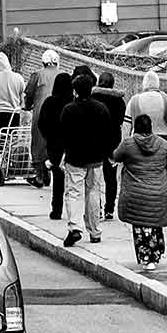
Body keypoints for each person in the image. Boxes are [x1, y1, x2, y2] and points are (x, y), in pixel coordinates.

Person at [112, 112, 167, 272]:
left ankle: (145, 257)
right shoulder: (164, 146)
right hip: (158, 194)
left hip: (135, 194)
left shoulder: (128, 144)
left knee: (139, 225)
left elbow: (115, 156)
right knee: (155, 223)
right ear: (151, 127)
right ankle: (155, 253)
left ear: (135, 127)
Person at [57, 69, 118, 247]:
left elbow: (63, 136)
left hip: (75, 158)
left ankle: (75, 228)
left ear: (75, 91)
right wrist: (108, 154)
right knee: (93, 192)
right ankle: (94, 231)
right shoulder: (101, 109)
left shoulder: (68, 110)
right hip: (96, 158)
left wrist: (63, 154)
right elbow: (108, 134)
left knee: (74, 193)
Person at [0, 52, 29, 183]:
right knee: (12, 141)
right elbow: (22, 98)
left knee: (1, 141)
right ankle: (12, 165)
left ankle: (3, 165)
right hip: (14, 114)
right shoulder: (18, 77)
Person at [36, 73, 74, 219]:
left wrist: (49, 137)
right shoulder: (72, 102)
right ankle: (73, 212)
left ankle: (56, 209)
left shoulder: (50, 102)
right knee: (73, 181)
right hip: (70, 145)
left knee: (58, 178)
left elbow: (42, 123)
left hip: (54, 145)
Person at [89, 70, 128, 212]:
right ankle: (110, 209)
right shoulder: (119, 101)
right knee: (111, 178)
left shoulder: (92, 98)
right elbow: (121, 120)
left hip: (95, 142)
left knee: (95, 178)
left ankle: (96, 208)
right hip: (113, 143)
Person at [23, 49, 61, 187]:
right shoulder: (63, 74)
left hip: (40, 111)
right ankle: (50, 171)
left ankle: (39, 176)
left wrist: (27, 106)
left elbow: (29, 93)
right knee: (55, 141)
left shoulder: (37, 75)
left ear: (43, 62)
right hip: (60, 113)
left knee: (38, 141)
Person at [129, 69, 167, 147]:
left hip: (140, 141)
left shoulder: (134, 100)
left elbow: (127, 125)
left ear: (143, 84)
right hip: (163, 140)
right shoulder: (166, 99)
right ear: (158, 83)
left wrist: (125, 146)